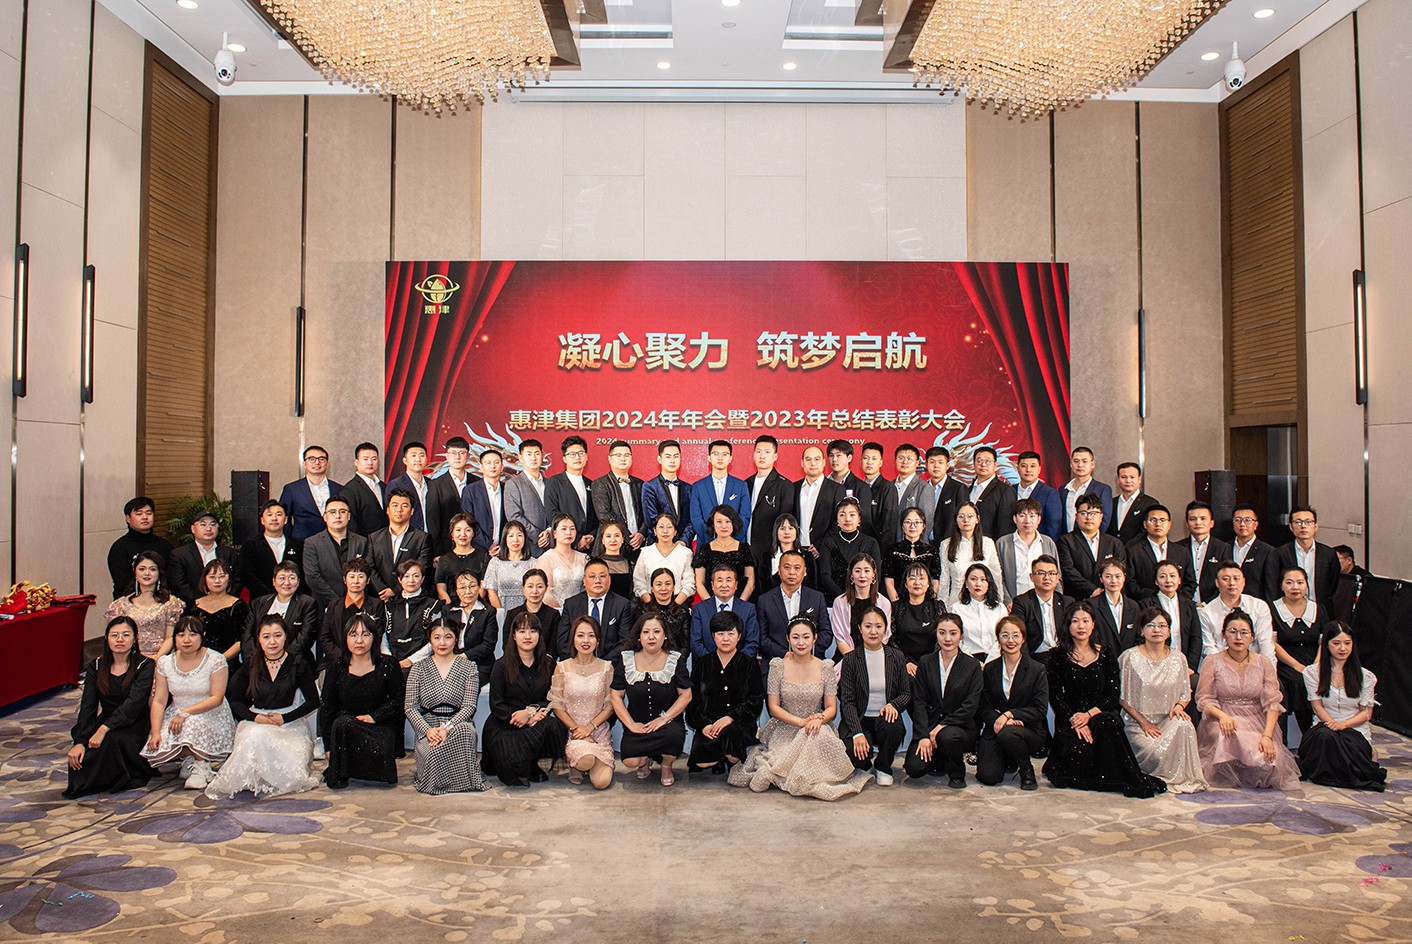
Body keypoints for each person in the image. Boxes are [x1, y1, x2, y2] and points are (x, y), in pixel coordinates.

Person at [728, 616, 871, 800]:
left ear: (815, 638)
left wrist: (818, 720)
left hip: (816, 726)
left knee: (817, 738)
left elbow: (831, 708)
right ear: (788, 639)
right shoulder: (777, 666)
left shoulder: (825, 667)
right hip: (785, 728)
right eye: (795, 637)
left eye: (806, 637)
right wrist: (801, 722)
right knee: (767, 774)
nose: (801, 642)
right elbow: (773, 707)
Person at [1043, 601, 1165, 798]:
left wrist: (1088, 715)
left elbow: (1113, 694)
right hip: (1071, 720)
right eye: (1075, 621)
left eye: (1085, 621)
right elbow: (1055, 695)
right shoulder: (1057, 655)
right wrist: (1076, 719)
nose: (1081, 626)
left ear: (1093, 624)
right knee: (1077, 757)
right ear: (1067, 625)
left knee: (1107, 722)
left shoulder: (1106, 652)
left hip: (1101, 714)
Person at [206, 614, 321, 799]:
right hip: (256, 721)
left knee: (294, 777)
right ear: (258, 639)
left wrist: (285, 718)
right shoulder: (251, 664)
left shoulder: (298, 663)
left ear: (286, 636)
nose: (272, 642)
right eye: (266, 637)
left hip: (288, 725)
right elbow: (234, 700)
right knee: (255, 735)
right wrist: (255, 717)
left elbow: (313, 701)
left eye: (277, 635)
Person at [1196, 609, 1301, 791]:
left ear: (1252, 637)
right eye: (1232, 631)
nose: (1238, 637)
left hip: (1256, 718)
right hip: (1223, 717)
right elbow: (1203, 699)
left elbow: (1272, 703)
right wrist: (1222, 716)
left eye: (1244, 632)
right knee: (1227, 737)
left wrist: (1267, 736)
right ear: (1223, 635)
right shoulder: (1212, 661)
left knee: (1266, 758)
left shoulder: (1263, 662)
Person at [64, 617, 157, 798]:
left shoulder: (145, 665)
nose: (120, 639)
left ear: (135, 638)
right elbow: (88, 705)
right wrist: (80, 741)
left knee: (113, 740)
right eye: (114, 635)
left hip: (134, 721)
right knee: (82, 759)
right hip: (106, 718)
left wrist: (104, 729)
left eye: (126, 635)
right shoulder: (96, 666)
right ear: (106, 639)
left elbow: (134, 704)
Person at [1118, 607, 1207, 794]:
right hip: (1138, 724)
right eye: (1150, 625)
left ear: (1168, 632)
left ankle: (1182, 777)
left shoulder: (1178, 658)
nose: (1156, 630)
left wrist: (1179, 706)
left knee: (1184, 725)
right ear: (1142, 631)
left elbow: (1185, 692)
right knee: (1156, 753)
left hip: (1168, 720)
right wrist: (1144, 723)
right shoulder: (1129, 657)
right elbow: (1122, 697)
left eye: (1162, 626)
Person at [142, 615, 237, 790]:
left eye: (192, 635)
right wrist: (155, 732)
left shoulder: (215, 660)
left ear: (202, 636)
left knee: (192, 725)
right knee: (159, 746)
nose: (186, 640)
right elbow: (159, 701)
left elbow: (216, 698)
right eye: (181, 635)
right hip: (177, 711)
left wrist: (186, 713)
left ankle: (201, 766)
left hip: (209, 710)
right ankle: (192, 756)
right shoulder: (165, 662)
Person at [319, 613, 405, 789]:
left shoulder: (388, 664)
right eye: (353, 634)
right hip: (347, 727)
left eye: (365, 634)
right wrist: (328, 747)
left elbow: (398, 701)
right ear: (345, 638)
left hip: (379, 727)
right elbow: (327, 708)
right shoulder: (336, 667)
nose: (359, 641)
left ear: (375, 638)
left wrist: (374, 716)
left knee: (347, 726)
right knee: (343, 723)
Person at [482, 613, 568, 787]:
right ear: (514, 635)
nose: (528, 636)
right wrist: (518, 716)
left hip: (534, 719)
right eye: (522, 631)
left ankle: (530, 762)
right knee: (511, 771)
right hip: (506, 723)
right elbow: (496, 704)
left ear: (539, 634)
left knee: (555, 727)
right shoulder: (501, 665)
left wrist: (530, 713)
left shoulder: (548, 664)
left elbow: (549, 698)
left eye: (533, 631)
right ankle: (520, 764)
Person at [1299, 622, 1386, 791]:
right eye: (1336, 643)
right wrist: (1332, 724)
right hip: (1325, 725)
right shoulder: (1312, 673)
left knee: (1340, 742)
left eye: (1347, 643)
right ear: (1326, 645)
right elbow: (1317, 707)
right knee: (1326, 737)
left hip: (1354, 729)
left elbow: (1366, 713)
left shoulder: (1366, 676)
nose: (1342, 648)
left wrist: (1343, 725)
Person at [404, 621, 488, 795]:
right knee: (434, 751)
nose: (442, 643)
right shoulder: (418, 668)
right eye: (437, 637)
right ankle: (435, 781)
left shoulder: (469, 667)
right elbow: (410, 707)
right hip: (429, 726)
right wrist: (428, 731)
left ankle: (462, 782)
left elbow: (469, 706)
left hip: (457, 723)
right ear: (430, 639)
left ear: (456, 639)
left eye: (448, 637)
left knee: (466, 731)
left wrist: (447, 728)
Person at [612, 613, 692, 786]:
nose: (651, 637)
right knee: (631, 761)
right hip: (637, 724)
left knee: (673, 736)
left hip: (667, 724)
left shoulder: (674, 659)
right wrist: (631, 724)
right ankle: (644, 760)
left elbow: (686, 695)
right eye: (646, 632)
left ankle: (666, 765)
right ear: (638, 636)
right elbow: (616, 695)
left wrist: (664, 719)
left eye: (656, 631)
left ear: (665, 636)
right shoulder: (626, 659)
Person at [905, 612, 983, 788]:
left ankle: (957, 772)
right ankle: (939, 759)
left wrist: (940, 727)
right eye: (942, 633)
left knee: (947, 736)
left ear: (961, 635)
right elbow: (919, 702)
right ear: (936, 634)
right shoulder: (926, 662)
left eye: (953, 633)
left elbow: (970, 706)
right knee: (914, 768)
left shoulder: (972, 666)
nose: (947, 638)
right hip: (930, 726)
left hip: (960, 729)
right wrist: (923, 736)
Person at [837, 606, 910, 786]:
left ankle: (883, 766)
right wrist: (857, 733)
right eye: (868, 626)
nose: (873, 632)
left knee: (894, 727)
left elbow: (906, 693)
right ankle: (865, 764)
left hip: (884, 719)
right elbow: (847, 701)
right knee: (854, 752)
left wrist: (894, 705)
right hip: (860, 719)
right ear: (860, 628)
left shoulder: (896, 656)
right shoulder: (851, 659)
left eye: (878, 626)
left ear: (886, 628)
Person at [687, 611, 765, 775]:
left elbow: (755, 700)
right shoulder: (702, 663)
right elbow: (693, 702)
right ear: (713, 636)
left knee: (732, 740)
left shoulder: (749, 664)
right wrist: (704, 725)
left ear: (739, 636)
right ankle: (722, 757)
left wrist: (731, 717)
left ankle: (727, 757)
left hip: (739, 724)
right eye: (720, 634)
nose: (725, 639)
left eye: (731, 634)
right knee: (702, 762)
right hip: (711, 725)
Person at [976, 616, 1048, 790]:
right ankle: (1008, 758)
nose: (1010, 640)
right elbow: (983, 706)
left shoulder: (1036, 669)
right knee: (988, 777)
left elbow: (1040, 708)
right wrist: (1000, 720)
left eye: (1016, 635)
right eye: (1005, 635)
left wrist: (1010, 714)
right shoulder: (990, 669)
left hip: (1028, 729)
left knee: (1009, 735)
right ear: (998, 639)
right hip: (996, 727)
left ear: (1023, 639)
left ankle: (1026, 768)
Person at [550, 616, 616, 789]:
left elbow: (610, 705)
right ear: (573, 639)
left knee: (602, 783)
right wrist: (577, 729)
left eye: (591, 636)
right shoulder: (562, 667)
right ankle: (577, 763)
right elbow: (557, 705)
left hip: (598, 731)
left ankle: (584, 765)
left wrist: (590, 727)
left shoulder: (607, 667)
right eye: (580, 635)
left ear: (598, 640)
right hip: (573, 732)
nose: (586, 641)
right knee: (586, 760)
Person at [1270, 566, 1329, 744]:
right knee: (1297, 682)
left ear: (1307, 586)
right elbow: (1273, 644)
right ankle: (1300, 740)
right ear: (1281, 586)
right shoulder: (1273, 608)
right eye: (1289, 582)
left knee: (1314, 680)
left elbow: (1324, 642)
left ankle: (1316, 739)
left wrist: (1315, 665)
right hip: (1286, 664)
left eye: (1300, 582)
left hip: (1315, 663)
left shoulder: (1318, 609)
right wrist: (1297, 666)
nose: (1295, 587)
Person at [105, 550, 185, 659]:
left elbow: (170, 637)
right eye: (142, 569)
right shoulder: (120, 605)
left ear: (159, 573)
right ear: (135, 572)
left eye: (152, 569)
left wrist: (155, 660)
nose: (147, 573)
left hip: (161, 659)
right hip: (130, 660)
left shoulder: (171, 603)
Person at [757, 549, 831, 664]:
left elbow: (826, 633)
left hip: (811, 660)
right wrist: (786, 655)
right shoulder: (765, 600)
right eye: (787, 567)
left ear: (805, 571)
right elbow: (763, 638)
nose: (791, 572)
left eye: (797, 568)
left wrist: (806, 652)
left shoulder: (817, 597)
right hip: (777, 661)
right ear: (779, 570)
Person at [1199, 562, 1276, 666]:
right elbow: (1209, 648)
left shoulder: (1259, 606)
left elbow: (1266, 644)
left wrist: (1268, 671)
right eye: (1225, 579)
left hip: (1254, 666)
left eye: (1236, 578)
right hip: (1220, 668)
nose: (1232, 583)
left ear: (1243, 582)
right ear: (1217, 583)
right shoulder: (1206, 612)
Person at [244, 561, 320, 666]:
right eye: (282, 578)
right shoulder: (259, 603)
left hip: (295, 663)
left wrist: (283, 661)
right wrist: (255, 659)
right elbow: (247, 634)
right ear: (274, 581)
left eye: (292, 578)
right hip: (259, 663)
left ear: (298, 582)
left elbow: (305, 637)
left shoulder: (307, 603)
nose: (287, 583)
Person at [302, 496, 369, 612]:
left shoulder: (362, 542)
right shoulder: (312, 543)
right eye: (332, 512)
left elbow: (367, 572)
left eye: (342, 512)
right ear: (325, 517)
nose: (338, 516)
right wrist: (337, 602)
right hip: (324, 606)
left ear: (348, 516)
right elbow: (312, 577)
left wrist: (351, 601)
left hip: (358, 605)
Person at [319, 558, 385, 674]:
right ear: (344, 580)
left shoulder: (376, 605)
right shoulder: (334, 605)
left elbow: (377, 635)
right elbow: (325, 638)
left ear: (368, 580)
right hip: (336, 661)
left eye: (361, 577)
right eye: (352, 577)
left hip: (367, 662)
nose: (356, 581)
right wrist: (343, 658)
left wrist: (358, 659)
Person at [559, 558, 634, 659]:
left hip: (610, 664)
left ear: (609, 580)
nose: (597, 581)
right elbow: (563, 641)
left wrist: (602, 664)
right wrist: (578, 663)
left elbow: (625, 641)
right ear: (584, 581)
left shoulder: (621, 604)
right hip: (576, 663)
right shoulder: (571, 604)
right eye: (592, 576)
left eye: (602, 576)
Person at [366, 488, 432, 601]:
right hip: (379, 598)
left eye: (404, 506)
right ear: (388, 510)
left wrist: (395, 590)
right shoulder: (374, 538)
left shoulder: (422, 538)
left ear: (412, 511)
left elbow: (423, 568)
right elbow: (369, 566)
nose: (399, 510)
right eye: (395, 505)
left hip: (410, 598)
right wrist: (382, 590)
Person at [1057, 493, 1127, 599]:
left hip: (1108, 598)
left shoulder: (1114, 543)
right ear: (1076, 516)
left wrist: (1104, 591)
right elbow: (1068, 570)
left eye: (1093, 513)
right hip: (1077, 599)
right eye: (1083, 513)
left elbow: (1120, 571)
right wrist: (1092, 590)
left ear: (1101, 517)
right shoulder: (1066, 541)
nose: (1088, 517)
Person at [166, 508, 241, 606]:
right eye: (203, 524)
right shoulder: (179, 555)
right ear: (193, 529)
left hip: (226, 606)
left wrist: (225, 601)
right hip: (193, 607)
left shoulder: (230, 553)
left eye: (213, 524)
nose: (208, 528)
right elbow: (179, 585)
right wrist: (202, 603)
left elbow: (237, 580)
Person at [1123, 504, 1196, 600]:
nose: (1158, 524)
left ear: (1169, 524)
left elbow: (1190, 583)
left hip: (1176, 604)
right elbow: (1130, 583)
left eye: (1162, 520)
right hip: (1145, 604)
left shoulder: (1182, 552)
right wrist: (1154, 599)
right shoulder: (1133, 551)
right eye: (1153, 520)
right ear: (1145, 524)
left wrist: (1177, 600)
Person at [1010, 555, 1072, 667]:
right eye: (1041, 573)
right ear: (1031, 577)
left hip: (1063, 656)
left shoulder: (1067, 602)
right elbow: (1018, 635)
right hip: (1035, 657)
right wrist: (1027, 664)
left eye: (1051, 573)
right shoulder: (1022, 602)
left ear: (1058, 577)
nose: (1047, 577)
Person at [936, 502, 1002, 608]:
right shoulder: (946, 545)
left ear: (977, 519)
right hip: (956, 601)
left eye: (970, 516)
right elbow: (944, 579)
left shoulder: (987, 543)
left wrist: (998, 603)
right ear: (956, 520)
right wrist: (942, 606)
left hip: (983, 602)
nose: (965, 520)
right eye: (961, 516)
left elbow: (996, 576)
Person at [1145, 561, 1204, 677]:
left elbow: (1196, 637)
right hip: (1155, 667)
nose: (1168, 580)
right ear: (1156, 581)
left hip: (1185, 666)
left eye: (1172, 576)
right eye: (1162, 576)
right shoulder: (1146, 605)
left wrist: (1191, 666)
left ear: (1179, 580)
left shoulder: (1189, 605)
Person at [816, 498, 882, 602]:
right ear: (837, 519)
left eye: (852, 515)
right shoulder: (828, 542)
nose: (847, 519)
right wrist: (843, 598)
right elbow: (825, 576)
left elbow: (876, 574)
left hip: (865, 598)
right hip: (835, 599)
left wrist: (860, 597)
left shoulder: (871, 542)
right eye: (842, 515)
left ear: (859, 519)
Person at [107, 496, 173, 599]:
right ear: (128, 518)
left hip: (162, 600)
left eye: (149, 513)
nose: (145, 517)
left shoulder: (165, 545)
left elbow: (172, 578)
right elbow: (122, 583)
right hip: (129, 602)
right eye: (139, 513)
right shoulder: (119, 548)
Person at [188, 559, 249, 670]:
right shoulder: (194, 605)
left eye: (222, 576)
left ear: (229, 579)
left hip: (227, 663)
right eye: (212, 577)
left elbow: (242, 640)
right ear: (205, 579)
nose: (217, 581)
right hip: (196, 663)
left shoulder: (239, 605)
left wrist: (219, 660)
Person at [690, 564, 761, 658]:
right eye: (719, 580)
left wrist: (736, 663)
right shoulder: (700, 609)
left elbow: (752, 642)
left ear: (736, 585)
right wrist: (712, 662)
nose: (724, 585)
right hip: (707, 664)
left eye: (728, 580)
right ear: (712, 585)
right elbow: (696, 643)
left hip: (740, 665)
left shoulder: (748, 609)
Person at [238, 500, 304, 601]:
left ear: (286, 520)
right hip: (261, 600)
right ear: (262, 520)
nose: (274, 518)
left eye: (279, 514)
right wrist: (270, 596)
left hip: (294, 600)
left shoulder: (298, 545)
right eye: (269, 515)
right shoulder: (251, 545)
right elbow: (246, 575)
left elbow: (303, 573)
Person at [996, 498, 1058, 604]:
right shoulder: (1003, 543)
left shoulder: (1048, 542)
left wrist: (1057, 602)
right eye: (1022, 515)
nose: (1027, 521)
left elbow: (1057, 576)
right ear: (1015, 519)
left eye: (1032, 516)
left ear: (1039, 519)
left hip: (1044, 603)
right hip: (1014, 603)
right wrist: (1007, 601)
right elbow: (998, 577)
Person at [829, 553, 892, 657]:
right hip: (846, 657)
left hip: (875, 656)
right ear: (851, 574)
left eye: (867, 571)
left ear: (874, 574)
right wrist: (855, 661)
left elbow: (885, 636)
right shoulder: (840, 602)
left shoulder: (884, 603)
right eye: (857, 571)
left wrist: (869, 659)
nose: (862, 575)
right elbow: (840, 639)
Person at [589, 440, 645, 554]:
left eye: (627, 455)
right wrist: (627, 537)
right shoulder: (600, 483)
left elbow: (646, 514)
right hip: (611, 547)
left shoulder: (640, 484)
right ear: (609, 459)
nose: (623, 459)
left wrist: (641, 534)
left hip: (638, 545)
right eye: (618, 455)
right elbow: (604, 516)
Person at [543, 436, 598, 552]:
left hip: (589, 546)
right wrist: (577, 538)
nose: (577, 457)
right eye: (572, 454)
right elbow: (553, 515)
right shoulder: (554, 482)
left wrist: (591, 536)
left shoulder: (592, 484)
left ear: (586, 457)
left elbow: (597, 516)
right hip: (564, 545)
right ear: (564, 459)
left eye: (581, 453)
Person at [690, 439, 751, 545]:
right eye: (716, 454)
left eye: (724, 454)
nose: (720, 458)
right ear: (709, 457)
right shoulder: (698, 487)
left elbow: (745, 517)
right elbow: (696, 519)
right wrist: (713, 540)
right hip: (706, 544)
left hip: (735, 545)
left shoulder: (741, 486)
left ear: (730, 458)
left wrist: (730, 540)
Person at [1278, 506, 1341, 606]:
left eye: (1308, 522)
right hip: (1290, 607)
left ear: (1315, 526)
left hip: (1320, 608)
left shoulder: (1328, 554)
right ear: (1291, 527)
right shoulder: (1281, 553)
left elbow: (1333, 584)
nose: (1303, 526)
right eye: (1298, 522)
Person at [427, 436, 478, 557]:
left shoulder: (477, 483)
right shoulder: (436, 484)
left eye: (462, 453)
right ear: (447, 456)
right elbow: (433, 522)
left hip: (474, 546)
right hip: (446, 547)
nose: (457, 457)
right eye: (453, 453)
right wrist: (437, 552)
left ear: (468, 456)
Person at [383, 560, 439, 670]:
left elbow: (436, 638)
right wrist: (390, 659)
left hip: (423, 664)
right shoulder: (389, 606)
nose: (411, 580)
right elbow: (383, 636)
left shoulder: (433, 605)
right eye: (406, 576)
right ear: (399, 579)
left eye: (416, 576)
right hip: (391, 663)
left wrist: (411, 660)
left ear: (422, 579)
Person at [692, 504, 756, 601]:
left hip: (739, 603)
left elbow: (750, 582)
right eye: (719, 522)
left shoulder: (744, 548)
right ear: (713, 524)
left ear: (734, 523)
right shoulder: (704, 549)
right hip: (711, 603)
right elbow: (699, 583)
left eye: (728, 521)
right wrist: (711, 605)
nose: (724, 526)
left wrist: (739, 605)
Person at [278, 445, 342, 540]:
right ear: (304, 464)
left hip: (333, 541)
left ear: (327, 464)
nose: (317, 462)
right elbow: (284, 519)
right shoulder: (291, 489)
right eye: (312, 459)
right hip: (301, 542)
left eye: (321, 459)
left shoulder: (339, 489)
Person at [445, 571, 496, 685]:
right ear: (456, 590)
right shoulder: (448, 611)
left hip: (479, 664)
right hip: (450, 662)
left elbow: (488, 644)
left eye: (472, 586)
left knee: (464, 684)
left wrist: (464, 656)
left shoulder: (488, 612)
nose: (468, 592)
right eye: (462, 587)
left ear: (479, 587)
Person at [640, 439, 694, 547]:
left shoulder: (689, 488)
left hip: (682, 547)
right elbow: (651, 520)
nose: (672, 461)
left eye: (676, 456)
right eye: (668, 457)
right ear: (660, 459)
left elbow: (692, 519)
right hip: (658, 546)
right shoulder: (649, 487)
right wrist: (668, 540)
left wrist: (684, 540)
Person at [633, 512, 695, 603]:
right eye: (661, 527)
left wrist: (675, 605)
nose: (665, 531)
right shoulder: (645, 552)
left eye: (669, 527)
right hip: (650, 603)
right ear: (655, 531)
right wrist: (651, 604)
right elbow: (639, 581)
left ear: (675, 531)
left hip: (678, 603)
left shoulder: (685, 553)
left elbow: (689, 583)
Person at [503, 438, 551, 557]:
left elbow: (556, 510)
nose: (533, 458)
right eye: (529, 454)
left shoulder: (550, 483)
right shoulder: (513, 484)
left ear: (542, 456)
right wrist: (537, 535)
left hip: (551, 546)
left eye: (537, 454)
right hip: (529, 547)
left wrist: (550, 531)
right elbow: (513, 516)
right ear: (521, 458)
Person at [891, 561, 943, 669]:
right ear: (905, 584)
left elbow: (942, 638)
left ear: (928, 583)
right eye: (912, 578)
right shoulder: (896, 608)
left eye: (921, 578)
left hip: (932, 664)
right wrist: (906, 662)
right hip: (903, 665)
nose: (917, 582)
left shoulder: (937, 607)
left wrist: (928, 663)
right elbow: (891, 640)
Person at [1176, 501, 1230, 604]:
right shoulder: (1177, 548)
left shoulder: (1223, 548)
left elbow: (1226, 580)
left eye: (1203, 518)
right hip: (1183, 604)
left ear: (1212, 523)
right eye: (1193, 519)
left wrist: (1207, 604)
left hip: (1213, 606)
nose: (1198, 523)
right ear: (1187, 524)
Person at [794, 445, 844, 556]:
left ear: (824, 462)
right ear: (802, 463)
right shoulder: (794, 487)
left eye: (817, 459)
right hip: (797, 551)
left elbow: (838, 522)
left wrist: (821, 545)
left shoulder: (836, 489)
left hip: (824, 551)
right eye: (808, 459)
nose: (812, 463)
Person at [885, 506, 940, 601]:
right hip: (899, 601)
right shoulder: (892, 550)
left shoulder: (931, 551)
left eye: (917, 522)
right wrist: (896, 603)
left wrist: (930, 602)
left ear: (923, 526)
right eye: (908, 522)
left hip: (925, 602)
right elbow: (889, 580)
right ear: (902, 526)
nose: (912, 526)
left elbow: (935, 580)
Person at [433, 512, 490, 603]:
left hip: (477, 605)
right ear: (452, 534)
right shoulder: (443, 560)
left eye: (468, 530)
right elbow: (441, 590)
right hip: (451, 607)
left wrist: (470, 606)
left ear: (473, 533)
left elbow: (483, 588)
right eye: (458, 530)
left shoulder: (484, 557)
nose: (463, 534)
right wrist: (452, 607)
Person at [1230, 504, 1281, 601]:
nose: (1242, 524)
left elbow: (1271, 588)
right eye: (1238, 520)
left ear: (1256, 525)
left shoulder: (1268, 551)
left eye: (1248, 520)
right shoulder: (1225, 548)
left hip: (1255, 606)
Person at [482, 520, 534, 615]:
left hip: (528, 613)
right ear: (505, 539)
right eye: (511, 536)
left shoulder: (533, 563)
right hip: (502, 611)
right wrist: (501, 614)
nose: (515, 540)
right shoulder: (495, 562)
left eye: (519, 535)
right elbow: (491, 591)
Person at [826, 439, 875, 538]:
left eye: (839, 455)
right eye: (831, 455)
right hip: (824, 542)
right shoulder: (823, 485)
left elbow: (865, 521)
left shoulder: (861, 487)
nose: (834, 459)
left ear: (849, 458)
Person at [503, 568, 560, 654]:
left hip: (545, 660)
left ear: (546, 588)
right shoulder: (512, 614)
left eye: (540, 587)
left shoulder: (553, 615)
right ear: (523, 587)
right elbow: (507, 645)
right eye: (530, 586)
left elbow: (554, 647)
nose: (535, 591)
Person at [638, 567, 693, 654]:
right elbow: (637, 641)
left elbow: (685, 645)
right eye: (659, 584)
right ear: (652, 588)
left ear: (674, 587)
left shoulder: (682, 612)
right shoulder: (643, 611)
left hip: (675, 659)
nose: (663, 588)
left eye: (668, 584)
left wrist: (676, 660)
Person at [462, 448, 506, 554]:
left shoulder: (507, 489)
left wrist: (503, 545)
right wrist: (489, 545)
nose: (492, 466)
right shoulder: (471, 490)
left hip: (503, 549)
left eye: (496, 462)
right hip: (478, 549)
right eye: (488, 463)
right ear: (481, 467)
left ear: (502, 466)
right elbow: (469, 521)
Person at [539, 513, 587, 610]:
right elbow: (545, 592)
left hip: (581, 609)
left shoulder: (583, 558)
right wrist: (562, 610)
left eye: (572, 529)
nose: (568, 533)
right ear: (554, 533)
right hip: (556, 610)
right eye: (564, 529)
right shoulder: (546, 559)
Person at [1091, 559, 1140, 654]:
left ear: (1124, 577)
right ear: (1101, 578)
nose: (1113, 581)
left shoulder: (1133, 606)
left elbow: (1138, 637)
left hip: (1129, 658)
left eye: (1118, 576)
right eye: (1108, 576)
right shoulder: (1092, 605)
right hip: (1102, 657)